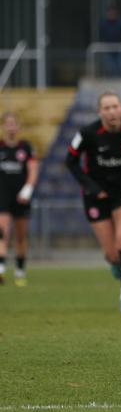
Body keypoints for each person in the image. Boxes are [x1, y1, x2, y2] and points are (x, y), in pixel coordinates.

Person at [65, 93, 121, 312]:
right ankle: (116, 263)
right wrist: (92, 188)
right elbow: (71, 162)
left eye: (115, 106)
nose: (112, 111)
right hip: (96, 197)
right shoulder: (87, 133)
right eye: (106, 108)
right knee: (113, 254)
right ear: (100, 112)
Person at [0, 113, 39, 287]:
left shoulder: (26, 147)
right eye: (7, 124)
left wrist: (28, 189)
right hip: (3, 196)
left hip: (21, 197)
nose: (11, 127)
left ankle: (20, 270)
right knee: (2, 232)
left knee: (21, 236)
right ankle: (1, 269)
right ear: (3, 126)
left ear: (18, 127)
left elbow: (33, 169)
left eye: (13, 124)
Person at [98, 5, 121, 77]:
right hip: (108, 49)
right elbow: (101, 36)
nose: (111, 14)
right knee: (110, 69)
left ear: (116, 13)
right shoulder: (103, 23)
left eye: (113, 12)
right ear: (107, 13)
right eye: (110, 12)